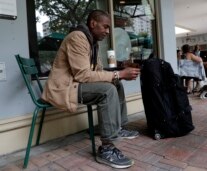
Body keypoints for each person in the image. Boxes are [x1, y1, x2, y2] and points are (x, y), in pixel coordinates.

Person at [41, 10, 140, 169]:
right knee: (108, 90)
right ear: (93, 23)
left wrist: (119, 72)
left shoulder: (92, 42)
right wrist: (118, 73)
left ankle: (118, 127)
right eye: (105, 27)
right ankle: (107, 148)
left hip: (75, 84)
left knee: (116, 83)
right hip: (64, 88)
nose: (108, 32)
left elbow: (97, 71)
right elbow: (83, 75)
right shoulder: (78, 38)